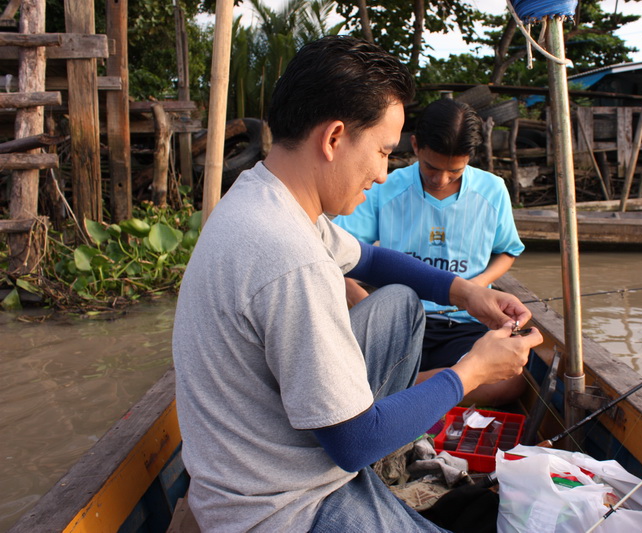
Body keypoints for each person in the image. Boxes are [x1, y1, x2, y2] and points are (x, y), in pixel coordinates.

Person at [172, 36, 542, 533]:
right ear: (334, 138)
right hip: (281, 507)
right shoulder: (290, 259)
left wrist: (467, 293)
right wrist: (471, 371)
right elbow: (354, 442)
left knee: (401, 304)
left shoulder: (267, 196)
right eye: (383, 152)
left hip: (264, 457)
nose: (384, 174)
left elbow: (369, 257)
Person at [335, 98, 527, 406]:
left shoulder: (492, 191)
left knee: (511, 382)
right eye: (431, 167)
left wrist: (474, 288)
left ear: (469, 158)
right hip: (403, 324)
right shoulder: (386, 187)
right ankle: (444, 384)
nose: (441, 180)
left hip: (466, 321)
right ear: (415, 145)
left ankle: (397, 389)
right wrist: (365, 301)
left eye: (455, 171)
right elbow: (334, 253)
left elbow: (507, 251)